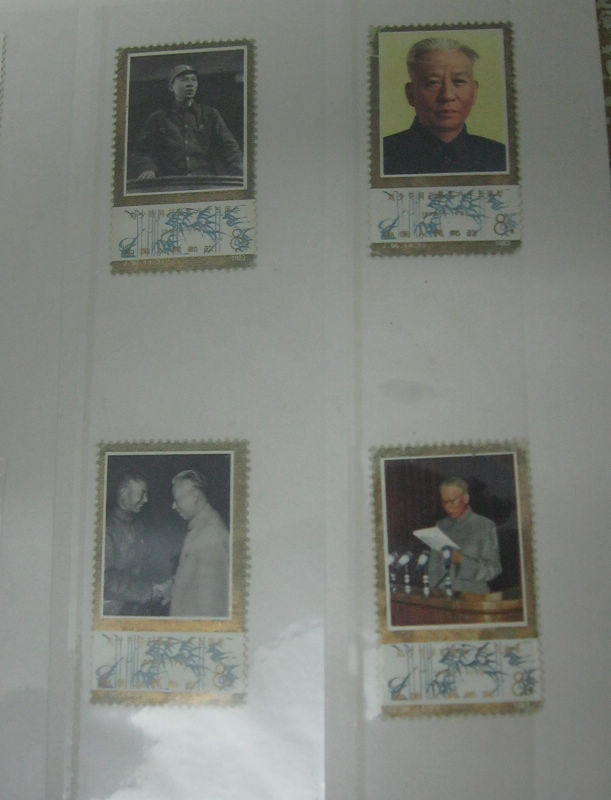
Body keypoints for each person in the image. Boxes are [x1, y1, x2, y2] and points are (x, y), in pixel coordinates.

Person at [383, 37, 507, 175]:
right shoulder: (382, 155)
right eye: (432, 83)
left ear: (474, 92)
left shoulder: (499, 156)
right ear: (411, 94)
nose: (447, 95)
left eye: (459, 81)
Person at [130, 63, 243, 182]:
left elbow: (231, 147)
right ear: (171, 87)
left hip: (204, 181)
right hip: (170, 183)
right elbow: (141, 151)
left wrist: (239, 171)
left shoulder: (210, 114)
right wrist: (147, 169)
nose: (190, 84)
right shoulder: (158, 118)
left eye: (194, 80)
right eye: (184, 80)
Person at [163, 469, 230, 618]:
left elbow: (211, 607)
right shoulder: (201, 529)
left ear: (194, 497)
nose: (173, 506)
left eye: (177, 500)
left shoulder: (210, 535)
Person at [427, 477, 501, 594]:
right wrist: (432, 591)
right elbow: (433, 567)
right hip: (442, 597)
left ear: (466, 498)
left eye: (452, 501)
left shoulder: (484, 525)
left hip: (472, 597)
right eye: (444, 502)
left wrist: (461, 560)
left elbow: (493, 569)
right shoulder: (441, 525)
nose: (448, 506)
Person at [104, 472, 155, 615]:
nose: (146, 499)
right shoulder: (107, 527)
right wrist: (148, 592)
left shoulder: (139, 526)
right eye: (142, 493)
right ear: (123, 492)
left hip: (138, 608)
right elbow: (104, 581)